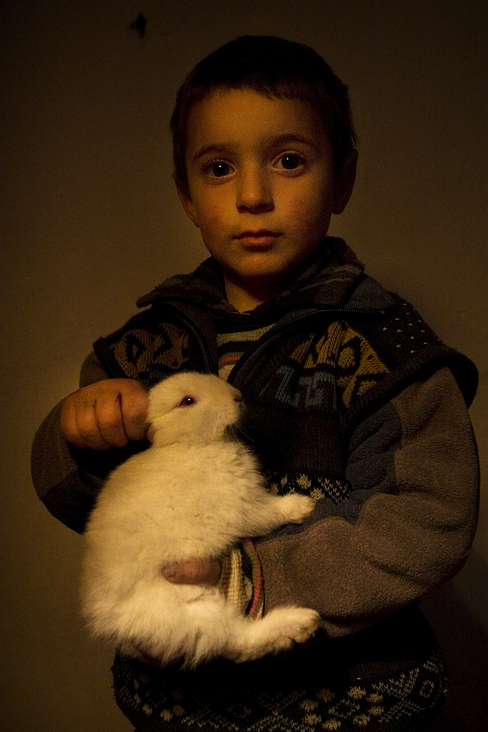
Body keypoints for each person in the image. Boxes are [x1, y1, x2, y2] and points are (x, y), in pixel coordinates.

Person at [31, 35, 479, 731]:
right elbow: (83, 500)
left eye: (289, 162)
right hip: (178, 703)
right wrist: (78, 434)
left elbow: (429, 517)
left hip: (350, 702)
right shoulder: (144, 345)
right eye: (217, 168)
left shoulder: (386, 345)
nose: (252, 195)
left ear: (343, 179)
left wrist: (257, 577)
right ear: (184, 192)